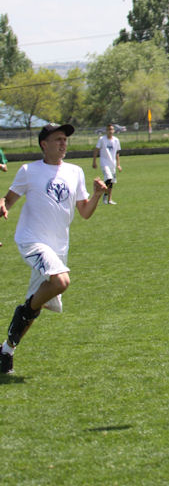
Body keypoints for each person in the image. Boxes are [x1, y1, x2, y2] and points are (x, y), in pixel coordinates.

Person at [0, 123, 107, 375]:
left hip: (58, 248)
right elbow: (7, 201)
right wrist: (2, 202)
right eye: (58, 139)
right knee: (61, 281)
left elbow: (84, 212)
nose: (63, 143)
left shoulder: (75, 171)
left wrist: (96, 195)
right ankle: (24, 312)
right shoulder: (29, 171)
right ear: (43, 144)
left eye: (65, 139)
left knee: (37, 304)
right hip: (32, 241)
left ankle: (6, 351)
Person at [92, 122, 122, 204]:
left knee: (111, 182)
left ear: (114, 130)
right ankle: (105, 194)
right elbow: (96, 150)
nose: (110, 131)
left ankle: (109, 200)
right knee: (109, 178)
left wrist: (118, 165)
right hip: (104, 163)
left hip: (113, 164)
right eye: (108, 129)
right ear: (106, 131)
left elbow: (117, 153)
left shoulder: (116, 140)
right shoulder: (102, 139)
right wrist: (94, 161)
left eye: (111, 129)